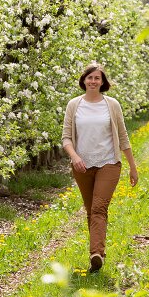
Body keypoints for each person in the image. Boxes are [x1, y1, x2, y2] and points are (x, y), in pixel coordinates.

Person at [61, 64, 139, 273]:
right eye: (90, 78)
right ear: (84, 80)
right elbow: (66, 138)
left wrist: (132, 166)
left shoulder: (112, 105)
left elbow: (123, 137)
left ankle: (95, 253)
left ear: (103, 82)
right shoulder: (74, 105)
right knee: (91, 210)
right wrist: (75, 157)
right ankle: (98, 254)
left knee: (98, 208)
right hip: (82, 166)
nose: (93, 81)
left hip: (109, 163)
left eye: (97, 78)